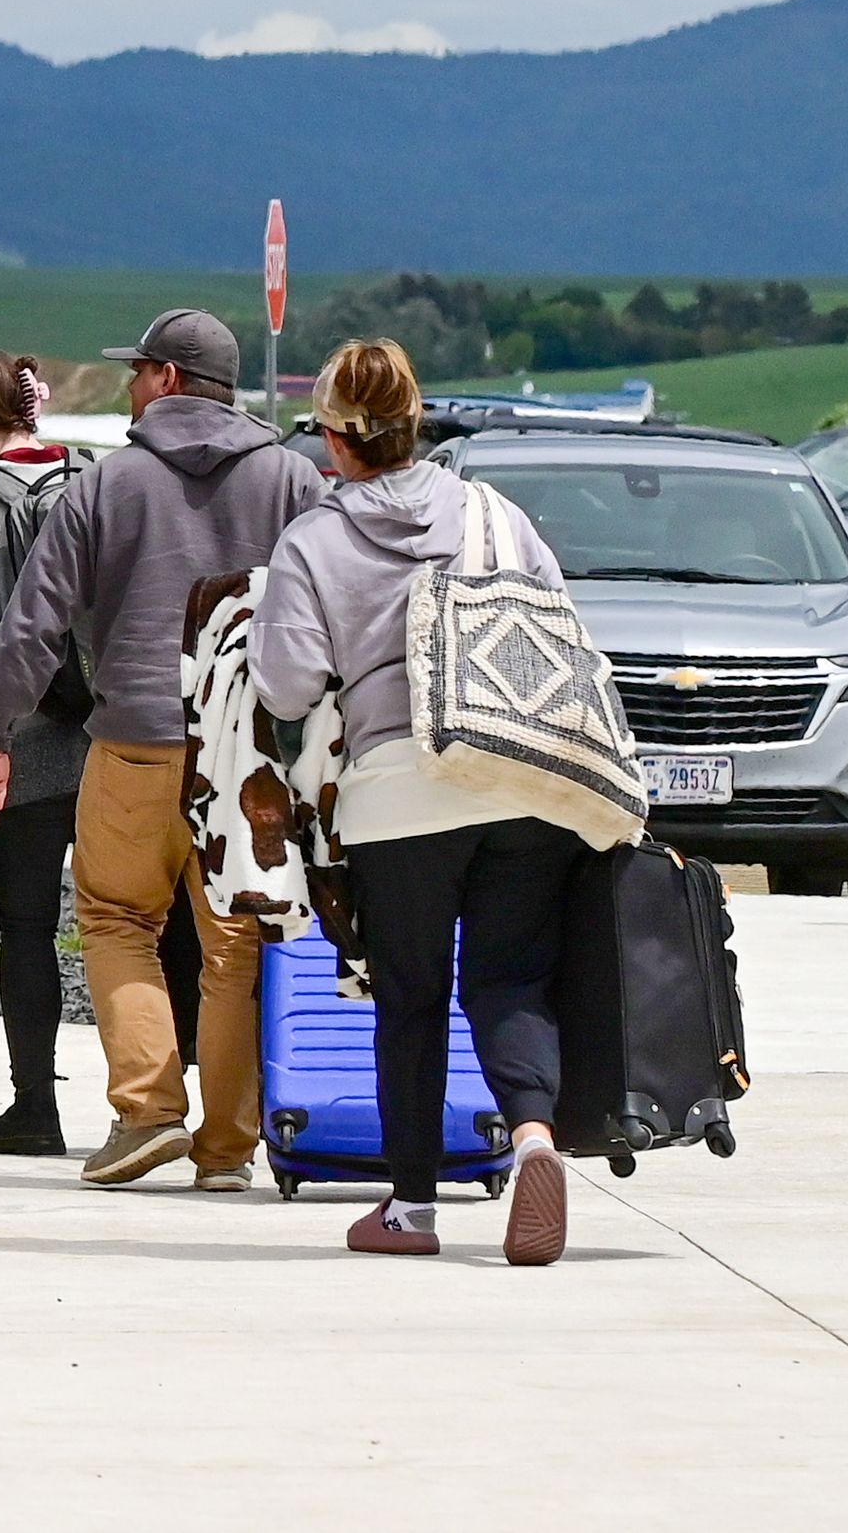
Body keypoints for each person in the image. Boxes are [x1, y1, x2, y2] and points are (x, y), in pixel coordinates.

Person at [250, 339, 597, 1263]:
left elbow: (286, 687)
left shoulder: (314, 540)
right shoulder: (492, 512)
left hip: (399, 795)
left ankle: (409, 1208)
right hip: (517, 779)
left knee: (409, 996)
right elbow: (555, 623)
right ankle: (530, 1141)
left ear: (334, 438)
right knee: (511, 975)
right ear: (417, 423)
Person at [0, 308, 323, 1191]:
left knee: (119, 921)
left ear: (167, 378)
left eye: (137, 371)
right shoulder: (294, 480)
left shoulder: (105, 484)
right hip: (249, 756)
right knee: (238, 939)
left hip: (134, 742)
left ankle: (147, 1111)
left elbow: (33, 624)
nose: (129, 387)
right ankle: (228, 1148)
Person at [0, 349, 205, 1158]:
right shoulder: (97, 475)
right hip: (125, 735)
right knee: (158, 919)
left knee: (29, 929)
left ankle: (34, 1109)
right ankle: (176, 1096)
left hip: (29, 742)